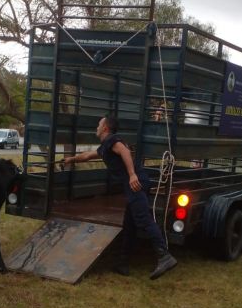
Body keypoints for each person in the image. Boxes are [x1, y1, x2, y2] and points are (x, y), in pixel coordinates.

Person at [61, 115, 177, 279]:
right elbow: (87, 155)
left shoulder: (113, 140)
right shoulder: (105, 146)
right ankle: (122, 263)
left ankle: (164, 256)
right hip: (133, 185)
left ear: (105, 128)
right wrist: (71, 159)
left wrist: (131, 175)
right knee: (129, 225)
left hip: (134, 183)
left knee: (144, 219)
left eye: (99, 124)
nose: (96, 127)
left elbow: (125, 151)